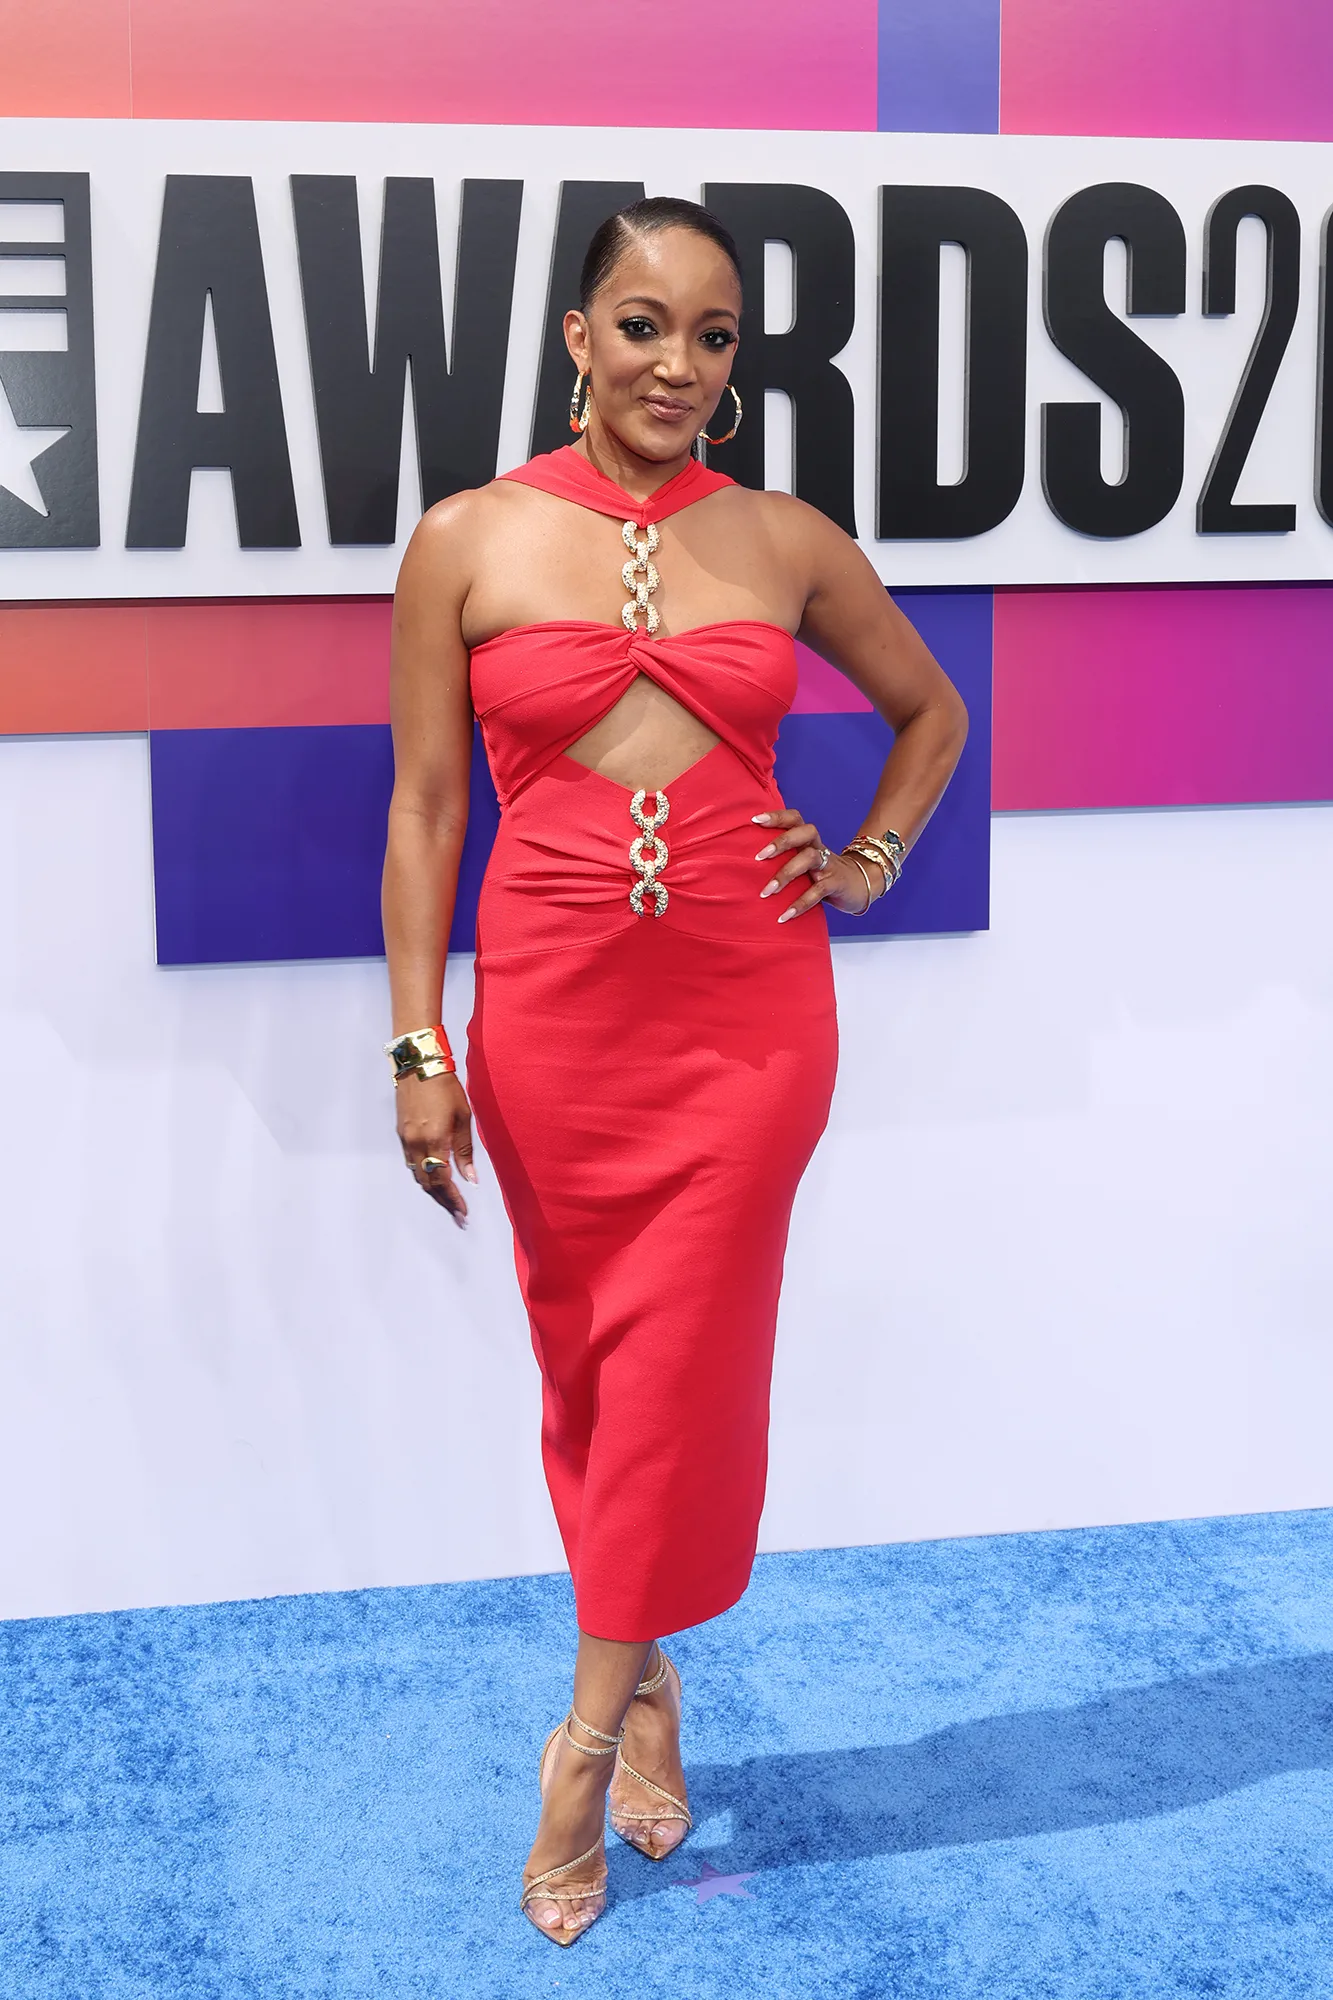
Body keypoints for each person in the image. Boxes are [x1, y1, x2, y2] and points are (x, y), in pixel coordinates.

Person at [381, 197, 968, 1946]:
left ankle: (578, 1744)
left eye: (714, 338)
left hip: (748, 1018)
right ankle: (649, 1680)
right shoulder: (468, 538)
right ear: (581, 338)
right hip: (554, 1019)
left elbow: (931, 712)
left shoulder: (781, 538)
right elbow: (425, 813)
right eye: (645, 326)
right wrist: (418, 1044)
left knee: (684, 1365)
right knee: (584, 1362)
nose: (679, 366)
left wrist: (864, 859)